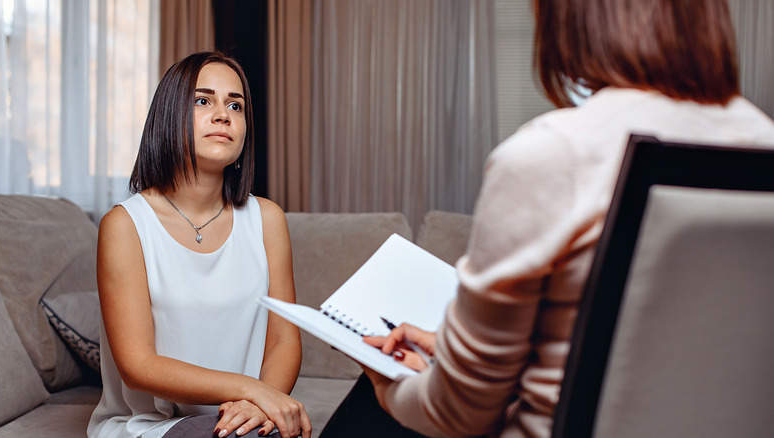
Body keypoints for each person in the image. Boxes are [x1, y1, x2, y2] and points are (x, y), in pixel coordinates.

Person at [319, 0, 774, 437]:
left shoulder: (555, 152)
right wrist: (455, 354)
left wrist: (386, 381)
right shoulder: (762, 138)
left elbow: (456, 415)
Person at [88, 52, 312, 438]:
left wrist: (257, 404)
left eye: (235, 105)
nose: (223, 114)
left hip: (243, 416)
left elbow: (284, 340)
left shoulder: (268, 219)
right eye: (203, 100)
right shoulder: (124, 225)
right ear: (169, 116)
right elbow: (138, 366)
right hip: (150, 427)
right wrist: (252, 390)